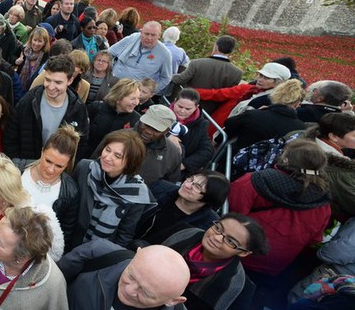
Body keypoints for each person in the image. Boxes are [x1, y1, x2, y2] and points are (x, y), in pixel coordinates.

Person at [58, 240, 201, 310]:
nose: (129, 290)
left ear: (174, 301)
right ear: (137, 254)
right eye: (131, 276)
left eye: (145, 293)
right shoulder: (98, 254)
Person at [229, 139, 331, 277]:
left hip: (235, 250)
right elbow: (314, 240)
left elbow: (232, 212)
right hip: (274, 265)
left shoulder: (255, 181)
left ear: (286, 160)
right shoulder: (323, 202)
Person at [71, 129, 154, 248]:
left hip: (99, 251)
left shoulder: (137, 192)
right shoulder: (85, 168)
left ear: (130, 162)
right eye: (107, 150)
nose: (108, 157)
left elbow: (125, 234)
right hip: (69, 239)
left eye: (117, 156)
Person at [5, 55, 89, 168]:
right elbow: (11, 136)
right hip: (26, 167)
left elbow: (81, 145)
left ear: (70, 80)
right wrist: (18, 165)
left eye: (58, 82)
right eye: (48, 80)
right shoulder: (28, 102)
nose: (51, 87)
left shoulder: (78, 109)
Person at [22, 126, 81, 252]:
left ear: (68, 164)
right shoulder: (17, 169)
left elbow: (65, 234)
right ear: (42, 151)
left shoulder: (71, 192)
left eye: (59, 166)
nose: (50, 169)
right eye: (48, 161)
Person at [135, 170, 230, 242]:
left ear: (210, 198)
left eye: (197, 187)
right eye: (190, 179)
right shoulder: (160, 188)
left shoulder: (207, 226)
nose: (187, 185)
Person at [196, 61, 291, 129]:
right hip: (215, 127)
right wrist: (193, 92)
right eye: (260, 75)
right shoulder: (247, 88)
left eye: (266, 78)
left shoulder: (274, 101)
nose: (260, 79)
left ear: (278, 82)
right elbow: (218, 94)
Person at [225, 79, 307, 151]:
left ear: (276, 95)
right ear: (297, 104)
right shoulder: (299, 127)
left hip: (233, 160)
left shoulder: (255, 114)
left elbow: (229, 123)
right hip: (268, 166)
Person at [170, 35, 242, 112]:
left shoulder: (197, 63)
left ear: (216, 47)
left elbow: (181, 79)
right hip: (212, 111)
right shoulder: (237, 73)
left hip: (187, 106)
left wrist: (170, 76)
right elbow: (229, 94)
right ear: (231, 51)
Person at [109, 21, 173, 95]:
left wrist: (150, 92)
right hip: (114, 85)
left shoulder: (164, 53)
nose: (149, 38)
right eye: (146, 34)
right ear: (141, 32)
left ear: (159, 36)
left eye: (153, 35)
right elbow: (110, 52)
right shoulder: (132, 38)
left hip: (135, 93)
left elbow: (166, 78)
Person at [85, 78, 141, 157]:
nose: (136, 103)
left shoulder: (136, 121)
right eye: (132, 99)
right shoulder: (96, 107)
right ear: (118, 98)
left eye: (138, 98)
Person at [136, 104, 183, 196]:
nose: (148, 131)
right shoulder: (118, 138)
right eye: (146, 124)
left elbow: (168, 185)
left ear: (166, 131)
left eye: (156, 129)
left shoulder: (173, 153)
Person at [169, 88, 215, 178]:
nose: (182, 111)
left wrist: (184, 164)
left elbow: (207, 150)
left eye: (188, 109)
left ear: (196, 107)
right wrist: (168, 135)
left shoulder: (201, 124)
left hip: (176, 169)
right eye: (180, 106)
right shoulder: (160, 112)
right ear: (175, 101)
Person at [15, 26, 50, 92]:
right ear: (31, 39)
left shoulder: (46, 57)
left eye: (40, 41)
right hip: (19, 87)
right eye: (35, 40)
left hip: (34, 90)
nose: (36, 44)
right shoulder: (24, 50)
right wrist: (16, 61)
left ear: (44, 43)